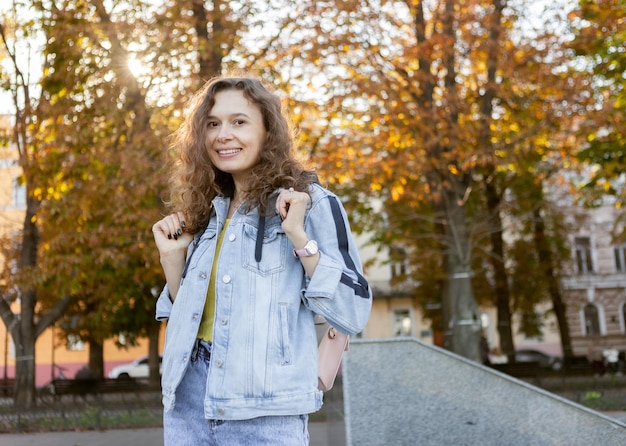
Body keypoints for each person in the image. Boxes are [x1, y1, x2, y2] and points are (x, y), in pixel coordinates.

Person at [152, 75, 372, 445]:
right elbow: (189, 322)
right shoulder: (207, 212)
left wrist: (300, 238)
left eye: (239, 121)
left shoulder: (311, 202)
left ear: (268, 131)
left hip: (265, 413)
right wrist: (173, 261)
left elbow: (353, 310)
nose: (223, 134)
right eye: (212, 123)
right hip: (188, 402)